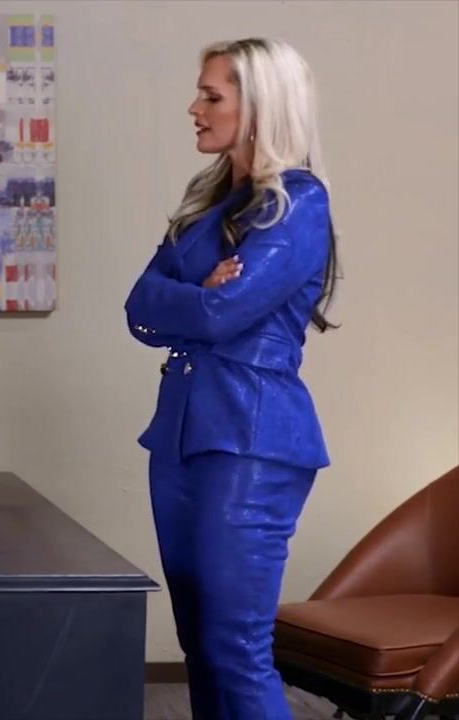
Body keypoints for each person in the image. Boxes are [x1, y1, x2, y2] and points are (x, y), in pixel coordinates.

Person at [124, 38, 340, 719]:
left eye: (211, 96)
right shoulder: (209, 200)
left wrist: (190, 301)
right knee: (201, 646)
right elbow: (138, 308)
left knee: (234, 647)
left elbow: (224, 313)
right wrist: (199, 296)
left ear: (260, 107)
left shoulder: (298, 203)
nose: (195, 108)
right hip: (181, 435)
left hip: (252, 437)